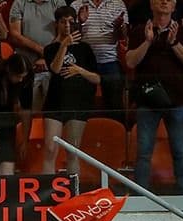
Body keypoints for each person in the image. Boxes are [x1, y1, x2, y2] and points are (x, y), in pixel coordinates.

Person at [126, 0, 183, 194]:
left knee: (180, 152)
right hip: (147, 101)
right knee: (144, 153)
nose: (164, 2)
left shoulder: (182, 31)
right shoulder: (140, 30)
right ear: (151, 4)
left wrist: (173, 43)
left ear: (174, 7)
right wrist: (147, 42)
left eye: (169, 0)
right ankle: (141, 198)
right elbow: (130, 61)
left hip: (176, 101)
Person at [41, 6, 100, 175]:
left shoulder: (85, 49)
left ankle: (74, 193)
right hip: (55, 102)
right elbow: (56, 69)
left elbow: (97, 78)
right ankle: (47, 194)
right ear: (57, 24)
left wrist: (79, 70)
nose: (67, 25)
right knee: (50, 149)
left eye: (70, 22)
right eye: (63, 22)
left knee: (73, 152)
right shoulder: (50, 48)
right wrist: (63, 46)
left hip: (78, 103)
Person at [9, 0, 67, 112]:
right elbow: (15, 35)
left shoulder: (58, 2)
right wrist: (41, 50)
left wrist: (46, 57)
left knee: (52, 110)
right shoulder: (19, 3)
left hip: (53, 65)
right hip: (26, 68)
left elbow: (65, 30)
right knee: (27, 110)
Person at [76, 0, 129, 117]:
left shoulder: (118, 3)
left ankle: (116, 132)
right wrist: (80, 22)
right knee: (82, 104)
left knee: (115, 105)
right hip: (85, 63)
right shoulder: (77, 4)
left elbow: (123, 37)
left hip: (110, 61)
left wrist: (119, 26)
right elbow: (71, 37)